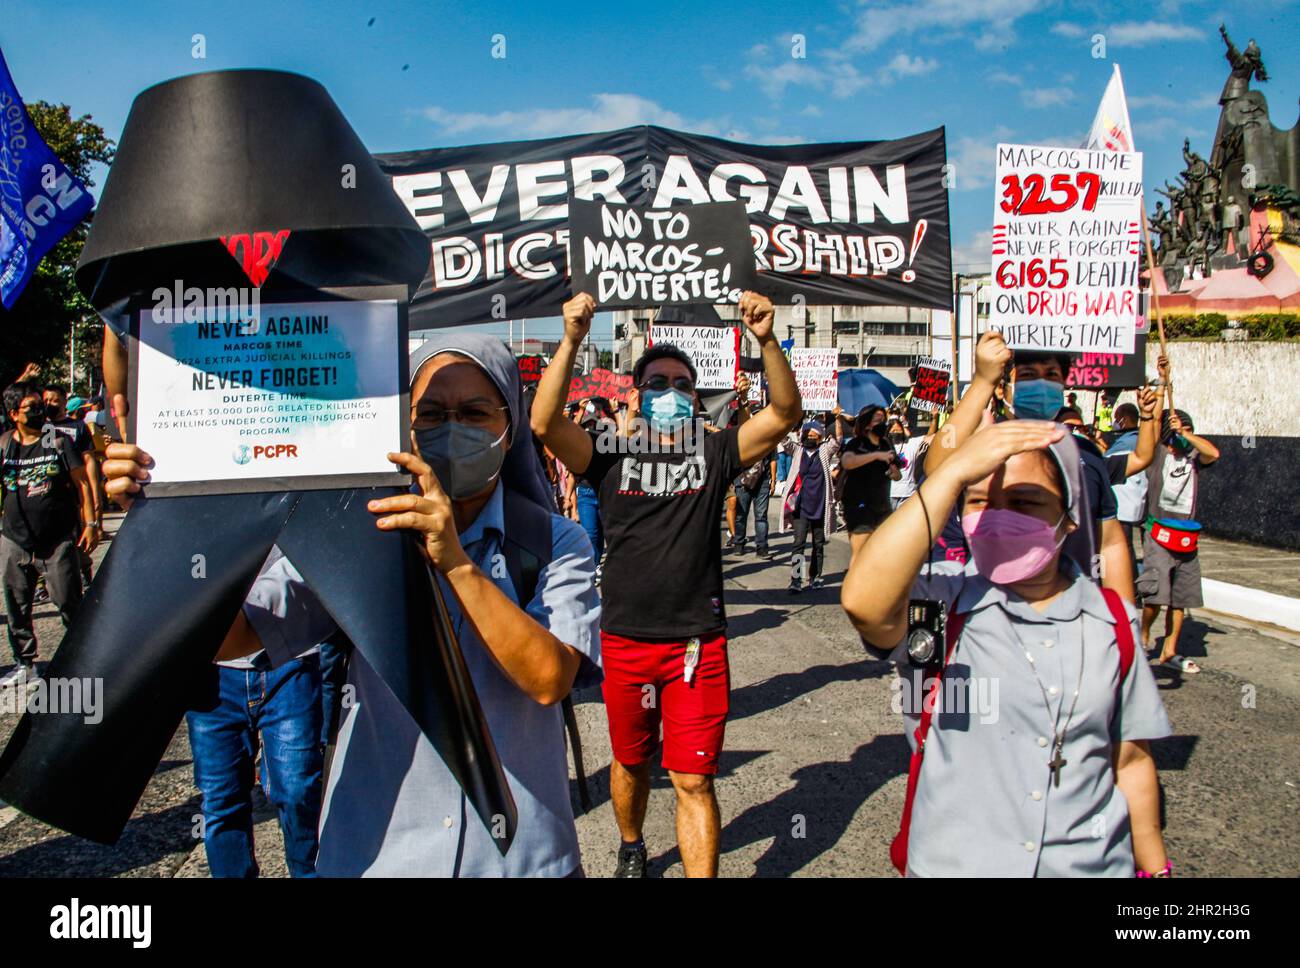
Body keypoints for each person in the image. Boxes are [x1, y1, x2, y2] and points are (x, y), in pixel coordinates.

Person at [104, 333, 601, 876]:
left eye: (475, 412)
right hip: (380, 855)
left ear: (509, 432)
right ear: (402, 427)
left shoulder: (555, 543)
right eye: (430, 414)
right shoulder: (355, 538)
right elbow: (231, 636)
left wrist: (457, 564)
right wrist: (164, 520)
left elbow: (550, 677)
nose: (450, 427)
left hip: (522, 859)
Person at [530, 290, 800, 878]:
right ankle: (631, 843)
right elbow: (545, 423)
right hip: (626, 643)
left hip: (698, 647)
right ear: (637, 395)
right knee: (631, 764)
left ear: (697, 398)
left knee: (694, 779)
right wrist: (573, 337)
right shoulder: (609, 454)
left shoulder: (716, 450)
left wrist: (766, 339)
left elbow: (783, 415)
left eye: (682, 384)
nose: (670, 393)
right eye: (657, 384)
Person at [842, 420, 1172, 877]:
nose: (999, 515)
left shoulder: (1113, 622)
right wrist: (953, 474)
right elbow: (864, 601)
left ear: (1069, 515)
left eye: (1023, 502)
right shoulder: (944, 607)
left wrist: (1156, 869)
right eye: (980, 502)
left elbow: (1131, 762)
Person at [925, 332, 1135, 604]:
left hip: (1077, 615)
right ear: (1003, 389)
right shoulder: (984, 446)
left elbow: (1110, 542)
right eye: (1027, 375)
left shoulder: (1087, 454)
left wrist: (1124, 623)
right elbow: (936, 466)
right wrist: (983, 381)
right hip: (993, 611)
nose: (1041, 383)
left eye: (1051, 375)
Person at [186, 640, 325, 878]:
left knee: (298, 789)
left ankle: (307, 873)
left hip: (291, 656)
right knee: (220, 799)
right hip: (210, 669)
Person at [0, 382, 98, 687]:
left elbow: (82, 483)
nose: (40, 411)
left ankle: (83, 660)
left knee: (68, 601)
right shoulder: (4, 445)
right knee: (16, 605)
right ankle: (24, 663)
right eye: (32, 408)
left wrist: (91, 524)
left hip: (57, 540)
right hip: (15, 540)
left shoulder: (55, 441)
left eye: (40, 406)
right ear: (15, 414)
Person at [1138, 406, 1219, 673]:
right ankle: (1144, 635)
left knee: (1180, 598)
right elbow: (1148, 434)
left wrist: (1185, 433)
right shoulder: (1157, 455)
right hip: (1158, 533)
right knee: (1155, 595)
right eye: (1174, 434)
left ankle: (1169, 651)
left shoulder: (1194, 456)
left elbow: (1213, 453)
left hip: (1186, 536)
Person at [42, 384, 102, 588]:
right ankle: (44, 582)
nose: (49, 404)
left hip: (75, 491)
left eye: (54, 400)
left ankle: (84, 573)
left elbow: (89, 460)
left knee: (78, 536)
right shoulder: (42, 427)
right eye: (46, 400)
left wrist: (95, 493)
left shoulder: (78, 426)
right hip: (50, 491)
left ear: (63, 402)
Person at [1101, 387, 1162, 574]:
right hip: (1130, 505)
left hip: (1126, 506)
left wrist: (1157, 394)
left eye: (1116, 418)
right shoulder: (1126, 441)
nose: (1114, 423)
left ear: (1124, 419)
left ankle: (1132, 590)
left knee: (1123, 549)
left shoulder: (1133, 441)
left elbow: (1155, 425)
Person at [782, 417, 839, 593]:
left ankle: (815, 577)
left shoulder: (824, 451)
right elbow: (784, 441)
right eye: (807, 434)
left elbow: (837, 442)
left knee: (818, 544)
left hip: (820, 506)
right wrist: (786, 420)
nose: (810, 437)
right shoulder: (798, 450)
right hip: (801, 506)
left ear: (821, 437)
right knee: (798, 543)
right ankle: (796, 579)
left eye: (814, 435)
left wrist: (837, 419)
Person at [837, 405, 900, 557]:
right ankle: (855, 580)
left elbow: (897, 475)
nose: (881, 423)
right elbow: (847, 462)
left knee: (881, 554)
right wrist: (876, 456)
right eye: (877, 420)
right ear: (866, 423)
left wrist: (894, 472)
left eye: (883, 420)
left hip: (882, 505)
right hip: (859, 506)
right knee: (860, 554)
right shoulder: (857, 443)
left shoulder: (886, 444)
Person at [732, 402, 776, 558]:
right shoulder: (742, 433)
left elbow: (773, 459)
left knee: (761, 516)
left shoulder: (770, 435)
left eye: (760, 414)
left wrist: (773, 480)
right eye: (755, 414)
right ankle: (738, 543)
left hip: (763, 481)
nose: (758, 417)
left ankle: (762, 548)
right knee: (741, 514)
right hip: (743, 480)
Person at [889, 416, 932, 511]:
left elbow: (930, 437)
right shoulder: (884, 447)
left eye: (898, 430)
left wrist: (935, 418)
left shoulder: (911, 443)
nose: (895, 433)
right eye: (893, 430)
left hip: (908, 493)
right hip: (889, 494)